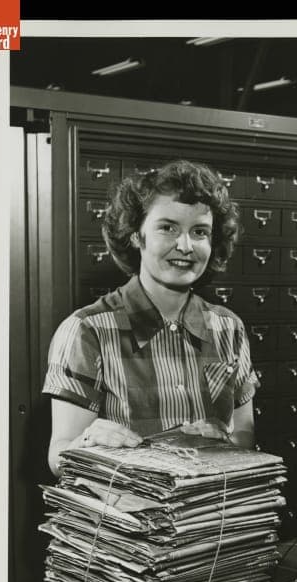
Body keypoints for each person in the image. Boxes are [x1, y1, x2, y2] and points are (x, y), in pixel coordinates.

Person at [43, 160, 258, 477]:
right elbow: (58, 457)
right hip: (127, 517)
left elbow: (246, 437)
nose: (184, 246)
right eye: (167, 227)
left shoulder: (229, 328)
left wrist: (226, 442)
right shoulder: (87, 330)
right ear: (135, 235)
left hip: (209, 517)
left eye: (199, 232)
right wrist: (86, 444)